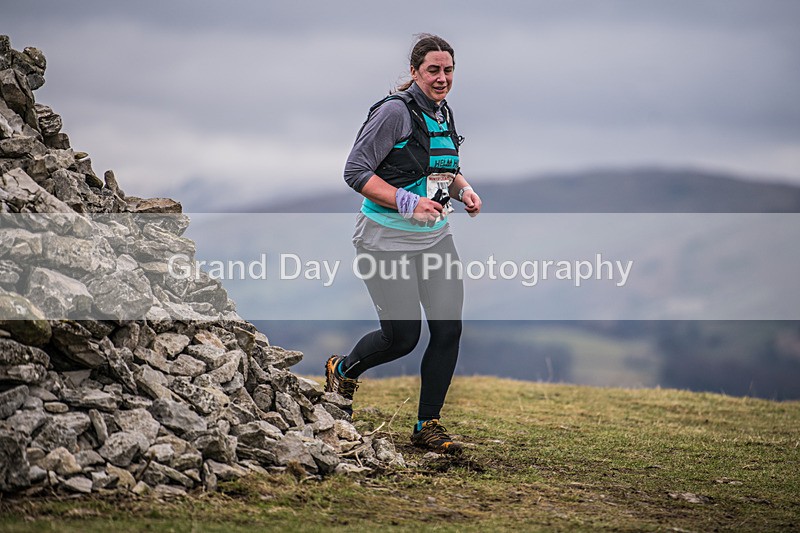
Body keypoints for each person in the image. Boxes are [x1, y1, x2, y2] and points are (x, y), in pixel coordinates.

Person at [325, 34, 481, 455]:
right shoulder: (394, 112)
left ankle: (427, 424)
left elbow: (442, 164)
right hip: (384, 242)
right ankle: (342, 370)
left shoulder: (442, 111)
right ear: (414, 72)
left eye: (448, 70)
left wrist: (464, 189)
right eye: (433, 69)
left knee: (448, 330)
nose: (442, 77)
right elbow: (355, 171)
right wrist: (407, 201)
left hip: (435, 240)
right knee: (402, 338)